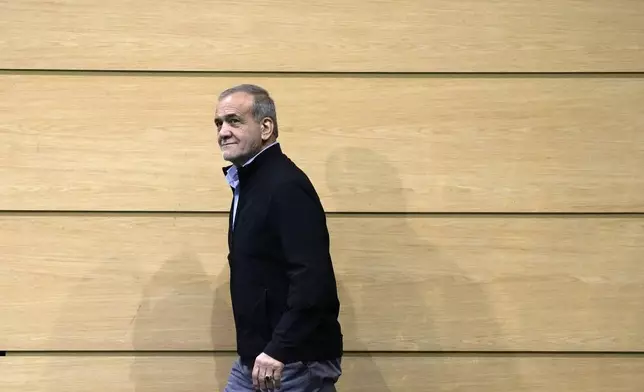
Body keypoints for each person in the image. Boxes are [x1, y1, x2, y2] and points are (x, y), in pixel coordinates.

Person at [215, 84, 343, 392]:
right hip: (264, 358)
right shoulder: (249, 184)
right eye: (218, 124)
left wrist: (278, 349)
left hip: (289, 361)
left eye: (234, 121)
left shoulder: (285, 186)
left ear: (266, 127)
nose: (223, 132)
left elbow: (312, 276)